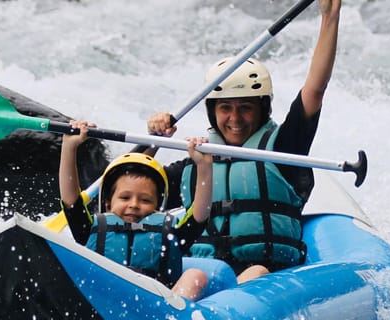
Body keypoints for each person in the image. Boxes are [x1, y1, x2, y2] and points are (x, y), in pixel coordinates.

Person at [145, 0, 342, 283]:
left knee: (254, 273)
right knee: (192, 278)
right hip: (204, 277)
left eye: (245, 108)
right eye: (225, 108)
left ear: (262, 109)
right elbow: (134, 187)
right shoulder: (196, 164)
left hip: (266, 276)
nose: (235, 118)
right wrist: (154, 140)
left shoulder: (284, 149)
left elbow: (314, 91)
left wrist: (329, 17)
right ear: (213, 112)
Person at [58, 120, 214, 301]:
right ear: (107, 204)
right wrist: (69, 147)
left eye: (145, 200)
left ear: (158, 207)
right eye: (125, 198)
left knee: (195, 276)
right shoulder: (90, 229)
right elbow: (71, 202)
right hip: (102, 303)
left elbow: (199, 216)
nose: (134, 204)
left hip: (155, 307)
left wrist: (204, 167)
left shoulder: (171, 234)